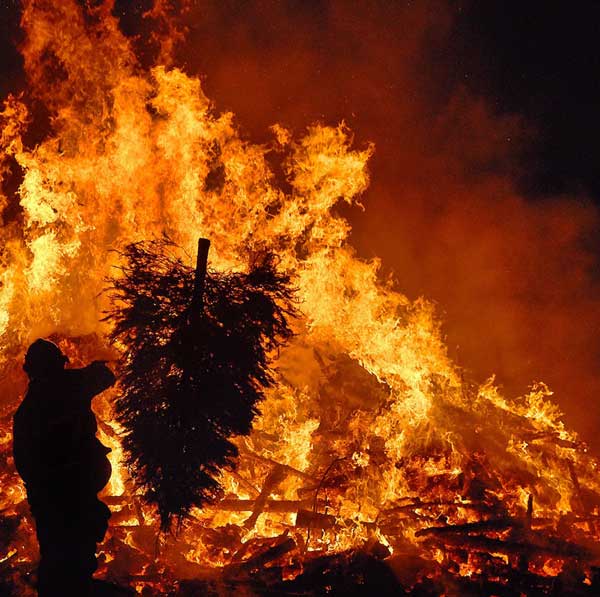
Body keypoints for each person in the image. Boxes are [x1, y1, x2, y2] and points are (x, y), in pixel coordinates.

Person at [13, 339, 115, 596]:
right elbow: (104, 375)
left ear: (30, 370)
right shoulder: (72, 385)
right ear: (59, 364)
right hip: (75, 490)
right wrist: (98, 362)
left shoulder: (26, 411)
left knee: (56, 555)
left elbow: (24, 463)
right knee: (77, 553)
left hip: (51, 497)